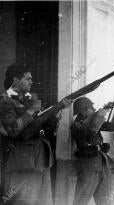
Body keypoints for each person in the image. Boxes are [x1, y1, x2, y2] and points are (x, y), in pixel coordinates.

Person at [0, 63, 71, 205]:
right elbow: (13, 131)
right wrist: (31, 111)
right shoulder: (5, 101)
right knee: (22, 201)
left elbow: (42, 127)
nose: (31, 81)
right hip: (21, 162)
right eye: (28, 78)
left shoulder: (28, 100)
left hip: (40, 160)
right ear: (15, 80)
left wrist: (57, 111)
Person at [71, 97, 114, 205]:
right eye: (91, 108)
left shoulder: (92, 122)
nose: (94, 109)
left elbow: (112, 127)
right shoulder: (77, 125)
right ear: (84, 110)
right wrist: (99, 117)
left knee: (105, 201)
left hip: (101, 164)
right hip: (88, 166)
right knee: (81, 201)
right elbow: (90, 136)